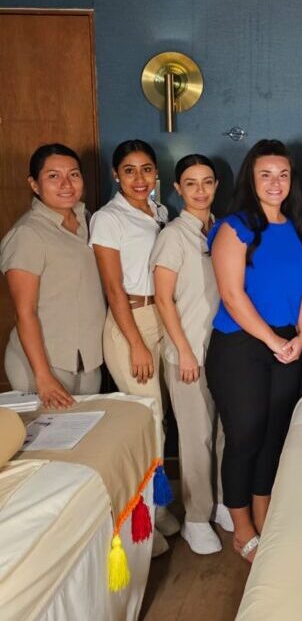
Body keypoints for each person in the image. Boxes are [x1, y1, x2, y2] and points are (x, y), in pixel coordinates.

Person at [206, 139, 302, 562]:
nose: (275, 182)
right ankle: (241, 527)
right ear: (251, 178)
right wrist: (274, 341)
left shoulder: (296, 224)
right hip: (241, 345)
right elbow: (232, 295)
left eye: (283, 174)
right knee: (245, 436)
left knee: (274, 437)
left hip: (287, 341)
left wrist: (301, 335)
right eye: (266, 174)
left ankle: (266, 516)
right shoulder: (237, 226)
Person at [90, 139, 177, 551]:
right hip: (131, 321)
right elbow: (112, 287)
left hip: (161, 317)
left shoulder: (158, 212)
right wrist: (136, 343)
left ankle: (158, 507)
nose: (139, 178)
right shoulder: (109, 219)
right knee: (146, 420)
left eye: (146, 169)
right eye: (129, 170)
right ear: (115, 175)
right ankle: (140, 521)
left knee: (162, 420)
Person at [151, 154, 231, 555]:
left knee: (224, 431)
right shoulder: (172, 236)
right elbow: (163, 300)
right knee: (196, 435)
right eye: (191, 183)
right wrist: (183, 351)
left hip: (223, 349)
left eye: (207, 182)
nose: (200, 190)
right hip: (188, 352)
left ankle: (219, 504)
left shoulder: (221, 229)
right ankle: (196, 518)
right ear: (177, 189)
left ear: (216, 185)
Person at [1, 144, 105, 406]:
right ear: (34, 184)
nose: (66, 184)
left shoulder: (88, 221)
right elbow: (25, 313)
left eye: (74, 174)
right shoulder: (28, 234)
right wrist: (43, 376)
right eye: (53, 176)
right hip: (45, 364)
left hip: (87, 361)